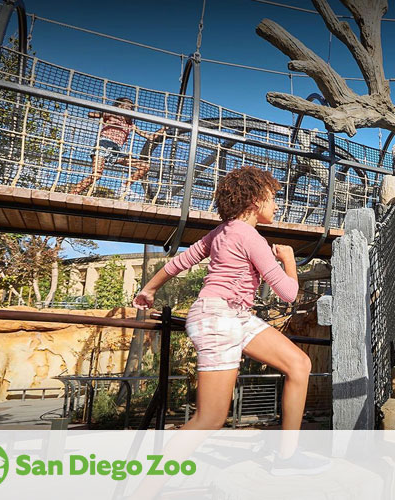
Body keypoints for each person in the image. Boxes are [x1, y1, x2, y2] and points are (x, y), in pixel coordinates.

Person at [133, 166, 322, 471]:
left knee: (299, 363)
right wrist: (289, 260)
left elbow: (179, 262)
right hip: (220, 318)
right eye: (273, 198)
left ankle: (287, 455)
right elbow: (288, 292)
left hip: (233, 315)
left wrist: (149, 290)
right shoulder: (251, 237)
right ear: (255, 201)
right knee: (210, 418)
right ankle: (144, 488)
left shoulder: (220, 233)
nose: (277, 205)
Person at [72, 97, 162, 198]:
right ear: (119, 106)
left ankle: (124, 187)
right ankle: (73, 193)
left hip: (116, 151)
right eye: (127, 105)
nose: (129, 107)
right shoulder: (112, 115)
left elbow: (150, 137)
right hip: (103, 146)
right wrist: (108, 114)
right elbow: (91, 114)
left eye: (131, 107)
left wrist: (164, 128)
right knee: (97, 174)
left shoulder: (131, 125)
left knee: (144, 166)